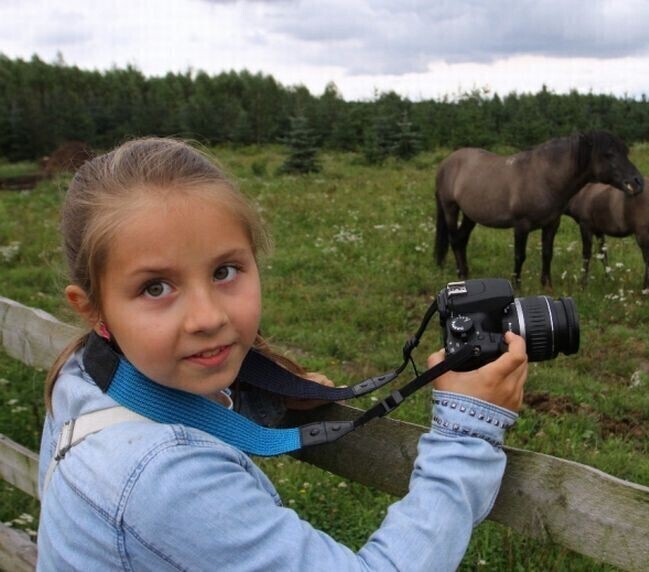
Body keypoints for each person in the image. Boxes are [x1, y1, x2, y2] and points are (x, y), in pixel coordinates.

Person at [36, 137, 529, 571]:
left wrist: (258, 396)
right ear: (93, 309)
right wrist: (467, 429)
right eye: (155, 287)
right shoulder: (161, 480)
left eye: (224, 272)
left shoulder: (85, 374)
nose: (207, 317)